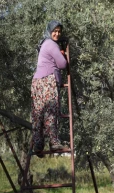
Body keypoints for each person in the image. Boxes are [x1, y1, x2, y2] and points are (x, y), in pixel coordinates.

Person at [31, 20, 69, 155]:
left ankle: (38, 144)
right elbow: (62, 64)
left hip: (37, 82)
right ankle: (53, 142)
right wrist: (63, 54)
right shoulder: (51, 44)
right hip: (48, 81)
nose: (57, 34)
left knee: (38, 114)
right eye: (55, 31)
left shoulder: (44, 43)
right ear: (49, 31)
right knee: (51, 111)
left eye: (59, 31)